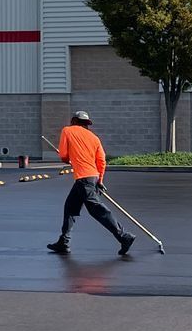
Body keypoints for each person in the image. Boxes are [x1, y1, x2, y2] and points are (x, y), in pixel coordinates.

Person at [48, 110, 134, 257]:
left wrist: (68, 158)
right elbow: (101, 161)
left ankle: (123, 236)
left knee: (96, 209)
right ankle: (64, 241)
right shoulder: (94, 138)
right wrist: (99, 180)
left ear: (74, 120)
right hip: (91, 176)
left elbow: (63, 155)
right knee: (70, 207)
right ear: (87, 123)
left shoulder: (67, 130)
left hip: (83, 178)